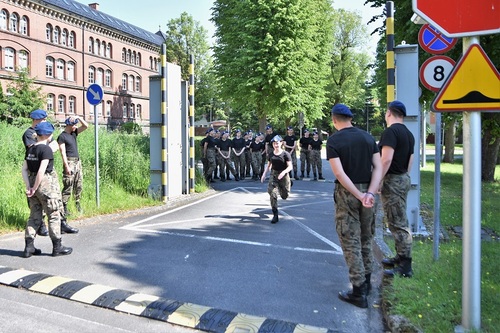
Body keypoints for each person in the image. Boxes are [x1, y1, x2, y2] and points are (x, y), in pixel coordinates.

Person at [326, 104, 382, 308]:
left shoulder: (333, 141)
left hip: (348, 194)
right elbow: (379, 166)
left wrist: (358, 195)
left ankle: (358, 292)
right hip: (369, 191)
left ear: (334, 120)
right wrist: (369, 192)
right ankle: (367, 283)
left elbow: (339, 174)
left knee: (350, 241)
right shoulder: (368, 137)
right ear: (350, 118)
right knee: (366, 238)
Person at [21, 121, 73, 257]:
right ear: (48, 135)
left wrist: (29, 187)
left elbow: (24, 169)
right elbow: (41, 171)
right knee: (53, 214)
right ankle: (57, 247)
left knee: (34, 216)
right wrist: (36, 186)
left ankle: (29, 247)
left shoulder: (30, 149)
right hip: (46, 186)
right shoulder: (46, 150)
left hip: (32, 185)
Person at [379, 100, 415, 278]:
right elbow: (411, 159)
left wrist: (378, 180)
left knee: (398, 223)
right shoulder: (408, 134)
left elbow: (385, 160)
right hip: (402, 178)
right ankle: (400, 257)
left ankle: (405, 267)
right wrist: (405, 176)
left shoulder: (391, 132)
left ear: (389, 113)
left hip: (392, 180)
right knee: (397, 220)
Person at [22, 109, 51, 237]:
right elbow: (34, 149)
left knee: (46, 198)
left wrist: (47, 148)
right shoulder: (29, 133)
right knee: (35, 201)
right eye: (43, 119)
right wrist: (46, 148)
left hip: (46, 168)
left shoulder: (44, 129)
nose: (45, 121)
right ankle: (39, 225)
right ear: (36, 120)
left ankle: (41, 224)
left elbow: (53, 145)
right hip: (34, 168)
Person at [58, 115, 88, 215]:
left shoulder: (73, 134)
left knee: (79, 184)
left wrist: (78, 117)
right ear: (69, 125)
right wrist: (66, 166)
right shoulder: (62, 136)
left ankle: (77, 203)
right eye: (74, 124)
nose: (76, 126)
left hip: (77, 162)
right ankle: (64, 207)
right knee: (68, 185)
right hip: (69, 162)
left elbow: (85, 126)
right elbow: (62, 152)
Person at [261, 135, 293, 224]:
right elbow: (268, 166)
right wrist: (264, 174)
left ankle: (289, 184)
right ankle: (275, 214)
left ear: (281, 143)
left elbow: (290, 166)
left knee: (284, 196)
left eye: (277, 143)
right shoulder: (271, 154)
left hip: (284, 175)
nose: (276, 145)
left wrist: (283, 172)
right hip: (274, 175)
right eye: (274, 143)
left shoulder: (286, 154)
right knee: (273, 193)